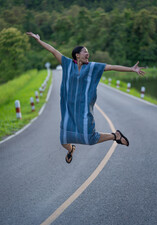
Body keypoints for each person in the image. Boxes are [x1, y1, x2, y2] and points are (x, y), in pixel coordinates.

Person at [26, 32, 145, 163]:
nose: (87, 54)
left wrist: (131, 69)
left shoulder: (92, 67)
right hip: (68, 109)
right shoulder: (67, 63)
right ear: (77, 55)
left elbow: (111, 67)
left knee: (89, 138)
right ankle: (71, 149)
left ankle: (115, 136)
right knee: (63, 139)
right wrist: (38, 40)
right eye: (84, 52)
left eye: (88, 52)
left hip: (84, 109)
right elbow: (52, 50)